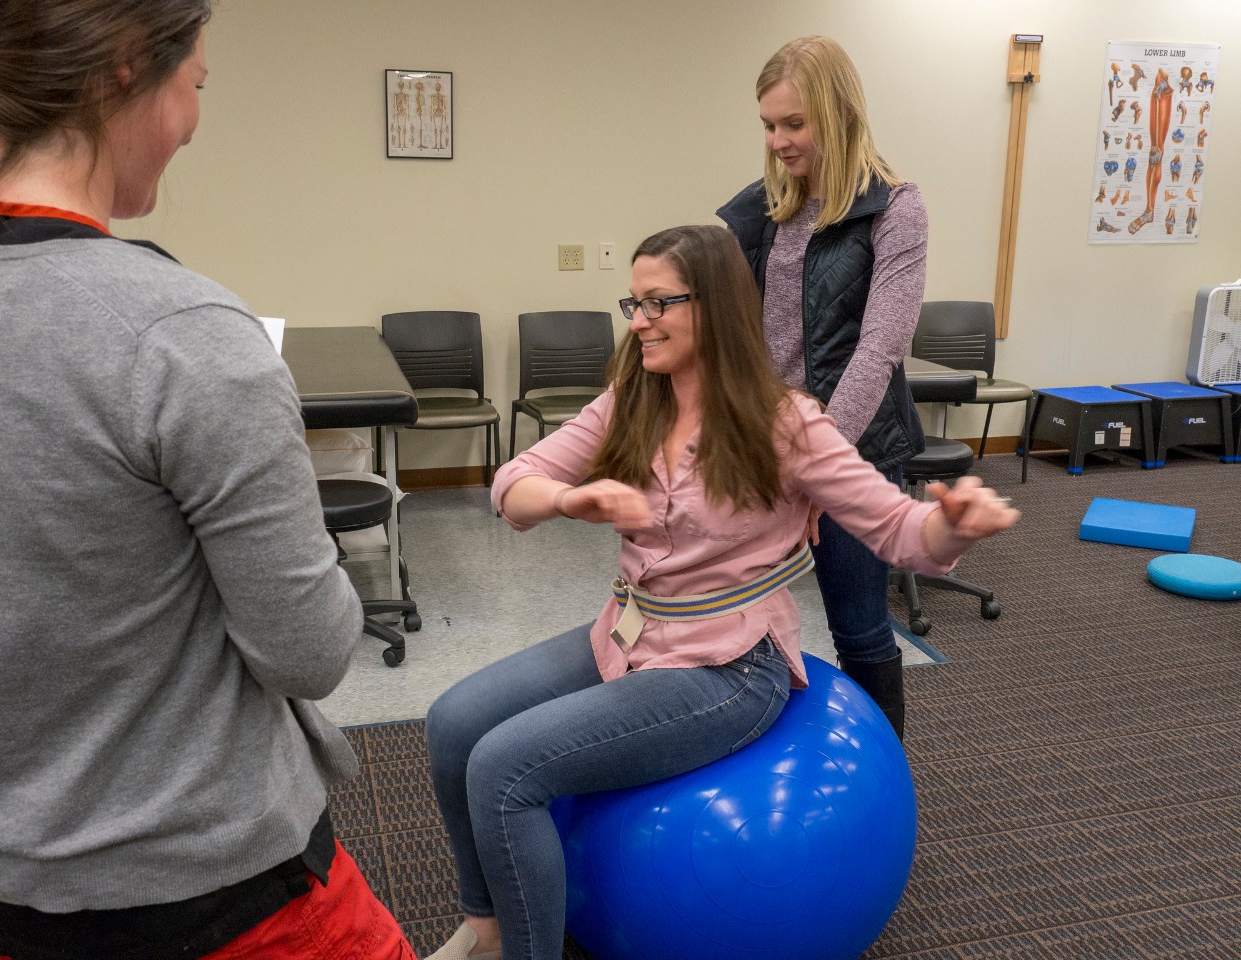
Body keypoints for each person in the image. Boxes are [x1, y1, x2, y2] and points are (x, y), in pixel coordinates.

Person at [424, 224, 1019, 960]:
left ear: (716, 307)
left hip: (728, 667)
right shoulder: (632, 400)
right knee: (453, 722)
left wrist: (953, 527)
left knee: (502, 768)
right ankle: (486, 927)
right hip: (632, 632)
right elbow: (512, 484)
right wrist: (564, 501)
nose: (638, 323)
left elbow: (898, 530)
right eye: (632, 304)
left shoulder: (787, 423)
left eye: (657, 303)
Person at [0, 3, 414, 958]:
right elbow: (307, 652)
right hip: (218, 899)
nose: (194, 120)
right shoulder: (180, 336)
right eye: (196, 85)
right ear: (128, 66)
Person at [718, 35, 932, 739]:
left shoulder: (895, 209)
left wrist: (821, 467)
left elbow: (879, 350)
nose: (778, 141)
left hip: (853, 450)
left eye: (794, 124)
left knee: (862, 629)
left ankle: (885, 783)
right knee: (729, 623)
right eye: (769, 125)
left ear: (839, 115)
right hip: (760, 446)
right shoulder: (755, 213)